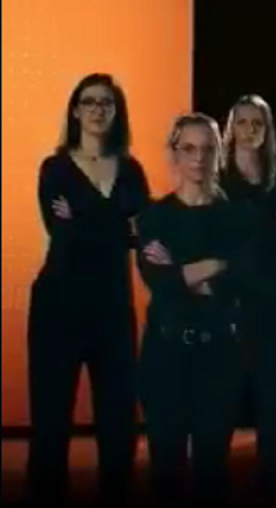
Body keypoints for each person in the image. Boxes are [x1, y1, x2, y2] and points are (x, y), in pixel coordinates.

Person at [27, 73, 150, 503]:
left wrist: (84, 217)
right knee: (51, 420)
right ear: (75, 111)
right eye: (89, 101)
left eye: (106, 103)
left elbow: (142, 233)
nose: (98, 109)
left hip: (112, 307)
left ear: (117, 112)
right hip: (57, 306)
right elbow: (62, 232)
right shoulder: (55, 169)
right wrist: (117, 224)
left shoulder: (131, 170)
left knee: (118, 420)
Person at [136, 113, 255, 503]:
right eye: (189, 148)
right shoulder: (155, 216)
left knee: (211, 473)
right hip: (165, 355)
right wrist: (217, 264)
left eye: (207, 149)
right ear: (174, 153)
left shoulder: (237, 217)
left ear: (219, 153)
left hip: (218, 355)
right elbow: (160, 282)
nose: (198, 157)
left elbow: (242, 280)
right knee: (165, 473)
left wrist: (185, 269)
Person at [219, 94, 276, 494]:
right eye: (243, 122)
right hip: (228, 302)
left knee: (269, 394)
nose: (250, 130)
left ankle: (270, 477)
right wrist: (273, 222)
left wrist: (265, 226)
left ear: (267, 131)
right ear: (231, 130)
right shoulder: (219, 184)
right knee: (223, 393)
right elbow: (228, 238)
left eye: (257, 123)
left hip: (271, 300)